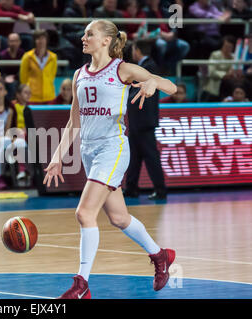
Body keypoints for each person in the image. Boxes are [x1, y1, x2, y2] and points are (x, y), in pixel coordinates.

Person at [42, 19, 177, 299]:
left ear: (106, 40)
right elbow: (73, 121)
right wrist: (57, 156)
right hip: (89, 151)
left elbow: (171, 87)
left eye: (89, 34)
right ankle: (160, 255)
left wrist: (151, 81)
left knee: (84, 213)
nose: (83, 37)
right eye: (84, 33)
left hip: (112, 149)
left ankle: (82, 285)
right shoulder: (80, 74)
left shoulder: (122, 69)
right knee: (118, 217)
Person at [124, 39, 167, 200]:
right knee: (135, 156)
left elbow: (141, 92)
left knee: (150, 156)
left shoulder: (148, 67)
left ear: (138, 50)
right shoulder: (147, 67)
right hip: (138, 120)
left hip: (144, 121)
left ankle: (160, 189)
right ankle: (131, 187)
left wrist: (125, 100)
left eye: (133, 49)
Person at [142, 0, 190, 73]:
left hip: (169, 37)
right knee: (161, 44)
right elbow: (148, 28)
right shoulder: (145, 11)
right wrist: (161, 34)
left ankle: (170, 68)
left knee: (184, 46)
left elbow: (173, 26)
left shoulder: (165, 10)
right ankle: (160, 69)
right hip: (156, 37)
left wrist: (172, 33)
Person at [19, 29, 57, 104]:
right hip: (32, 97)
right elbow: (23, 79)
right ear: (34, 41)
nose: (41, 41)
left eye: (43, 38)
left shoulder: (53, 57)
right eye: (38, 38)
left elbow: (52, 76)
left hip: (49, 96)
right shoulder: (27, 57)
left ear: (46, 40)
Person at [201, 35, 236, 102]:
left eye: (229, 47)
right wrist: (224, 75)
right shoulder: (215, 54)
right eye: (225, 46)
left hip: (228, 87)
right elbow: (211, 72)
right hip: (214, 87)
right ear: (222, 45)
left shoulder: (234, 57)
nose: (227, 49)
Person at [0, 33, 25, 100]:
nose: (14, 43)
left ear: (20, 42)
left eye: (16, 41)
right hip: (6, 78)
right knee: (12, 85)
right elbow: (1, 71)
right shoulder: (2, 55)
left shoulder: (23, 54)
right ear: (8, 42)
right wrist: (5, 78)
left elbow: (24, 69)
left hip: (19, 77)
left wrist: (16, 76)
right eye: (11, 41)